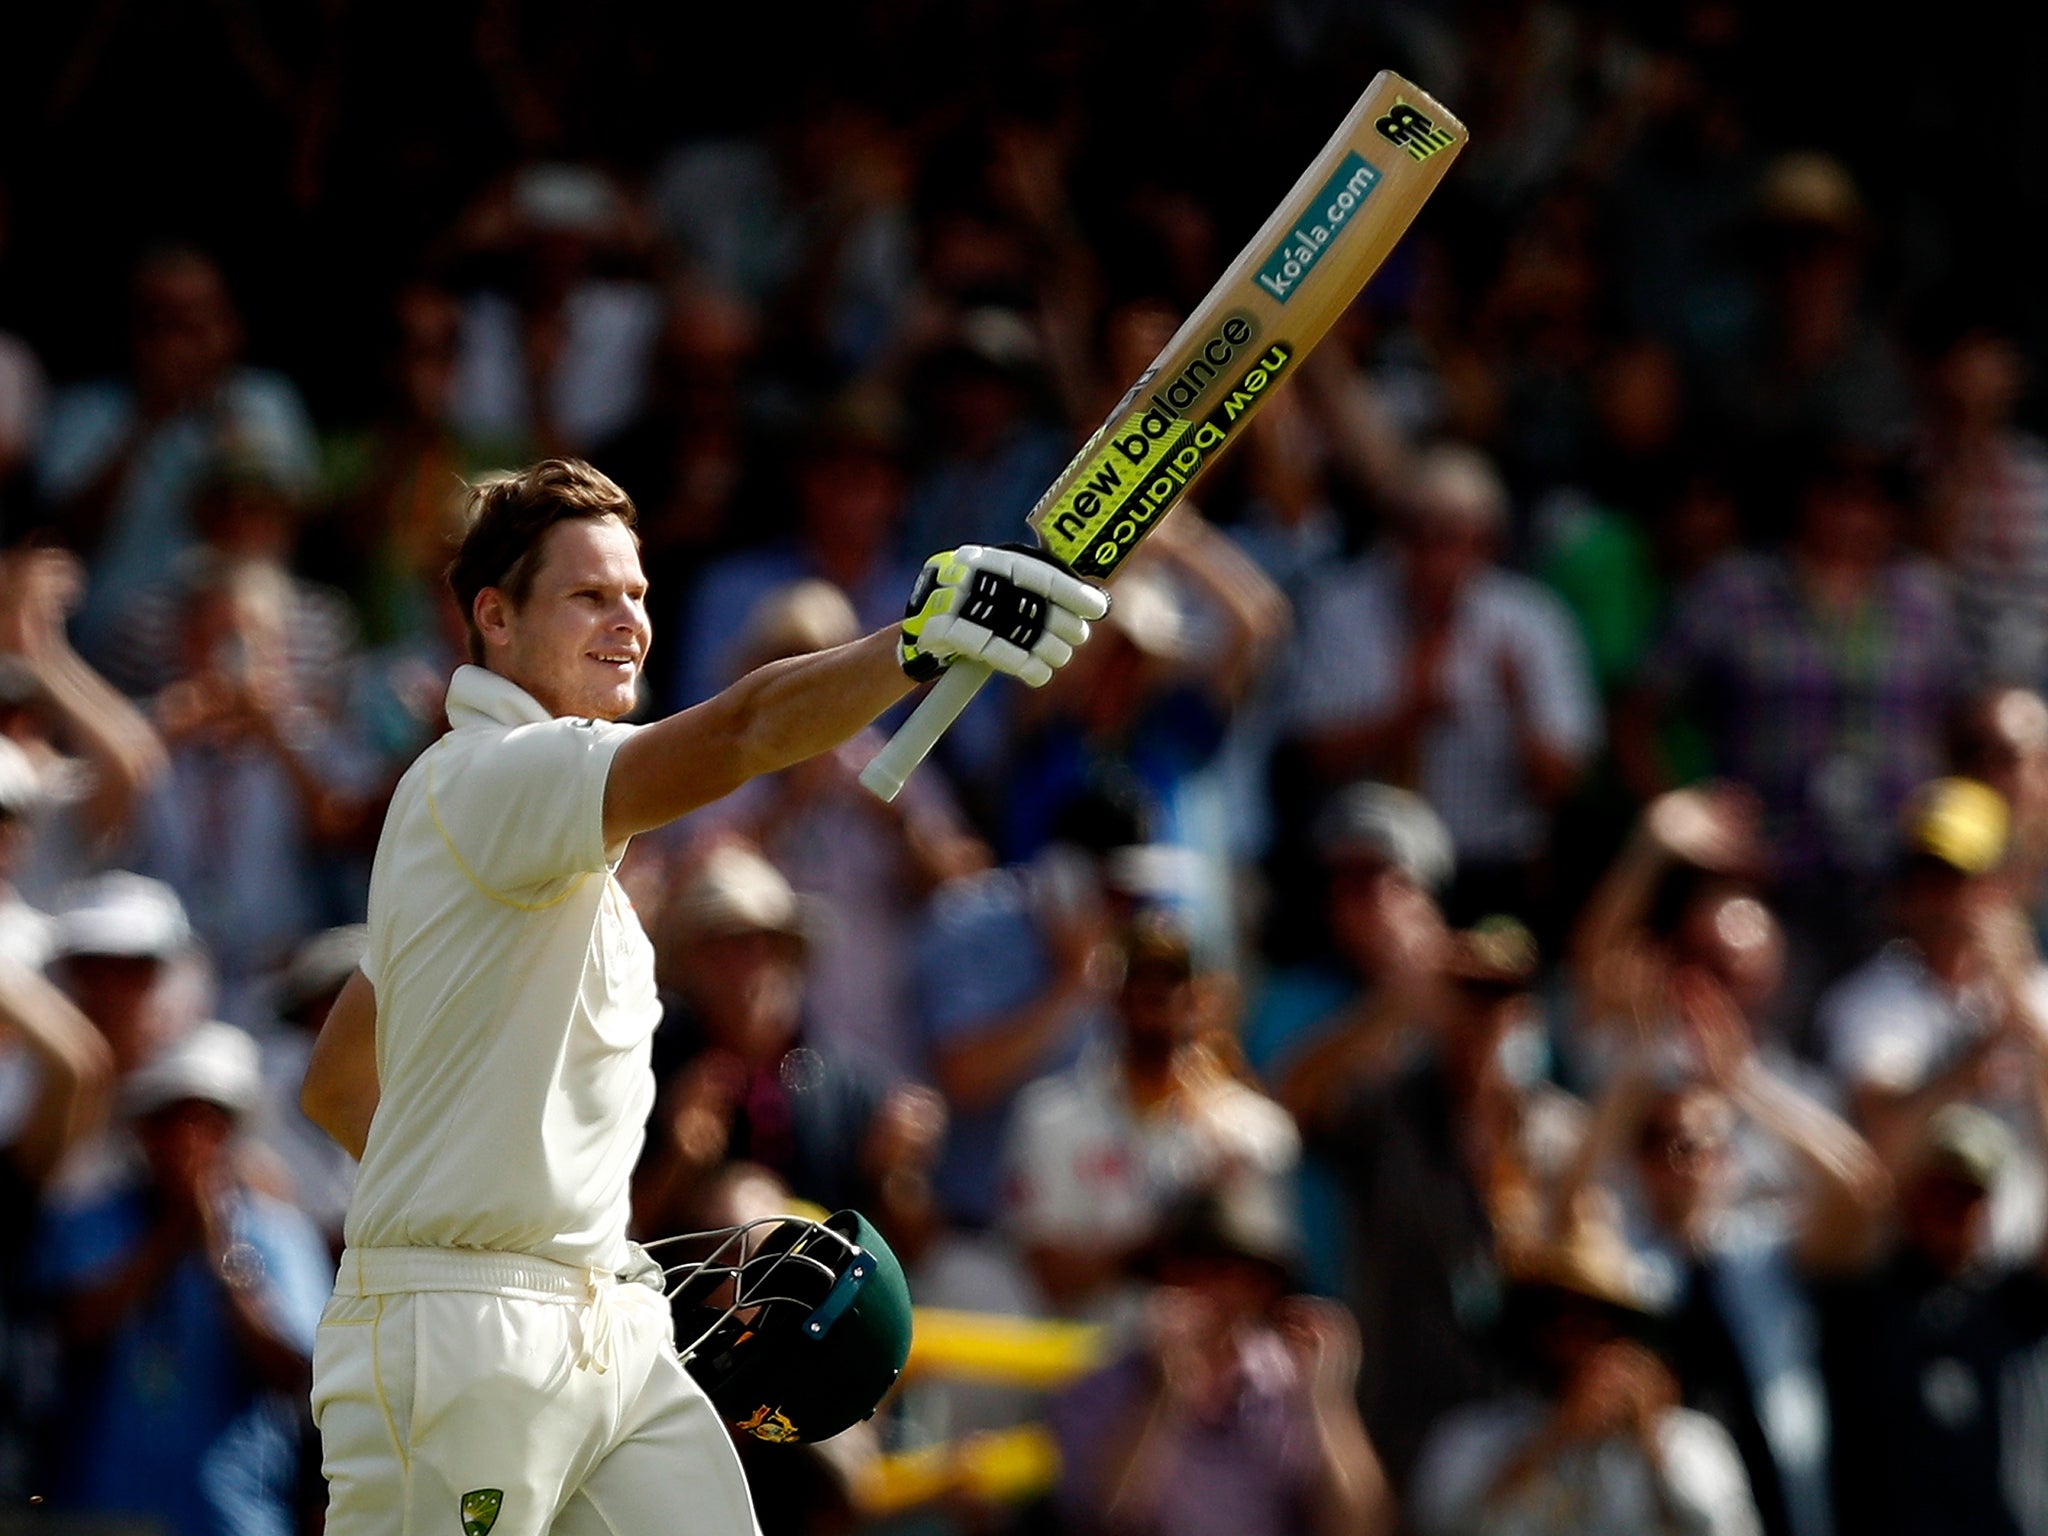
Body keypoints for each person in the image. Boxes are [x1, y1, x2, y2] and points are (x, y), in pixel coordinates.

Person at [296, 457, 1106, 1536]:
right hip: (461, 1340)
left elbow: (339, 1081)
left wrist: (539, 1218)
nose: (626, 621)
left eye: (636, 594)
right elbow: (741, 734)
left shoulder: (511, 845)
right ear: (492, 618)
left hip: (601, 1321)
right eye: (588, 595)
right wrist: (912, 640)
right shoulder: (487, 773)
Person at [1275, 915, 1585, 1490]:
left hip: (1524, 1413)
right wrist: (1396, 1005)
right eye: (1469, 991)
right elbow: (1291, 1102)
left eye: (1501, 993)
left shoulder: (1556, 1131)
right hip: (1406, 1410)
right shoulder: (1392, 1109)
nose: (1485, 1012)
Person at [1286, 441, 1602, 928]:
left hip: (1490, 871)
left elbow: (1566, 780)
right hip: (1366, 876)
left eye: (1451, 536)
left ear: (1488, 541)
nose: (1432, 556)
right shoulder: (1341, 610)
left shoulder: (1533, 623)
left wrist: (1518, 707)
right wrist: (1405, 716)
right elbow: (1310, 754)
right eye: (1415, 532)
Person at [38, 1018, 332, 1536]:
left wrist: (220, 1249)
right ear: (142, 1130)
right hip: (101, 1510)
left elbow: (293, 1370)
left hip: (231, 1513)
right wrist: (169, 1238)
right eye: (169, 1121)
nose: (187, 1141)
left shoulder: (279, 1234)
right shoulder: (88, 1222)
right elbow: (70, 1334)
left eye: (206, 1122)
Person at [1049, 1182, 1395, 1536]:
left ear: (1262, 1288)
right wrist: (1164, 1395)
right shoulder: (1101, 1389)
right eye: (1183, 1267)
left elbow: (1361, 1527)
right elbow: (1100, 1518)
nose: (1200, 1288)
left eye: (1225, 1270)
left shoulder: (1294, 1389)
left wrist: (1330, 1405)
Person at [1001, 910, 1299, 1320]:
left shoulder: (1255, 1131)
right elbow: (1050, 1275)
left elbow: (1265, 1287)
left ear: (1204, 996)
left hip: (1207, 1375)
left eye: (1172, 979)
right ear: (1113, 994)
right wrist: (1165, 1237)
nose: (1154, 993)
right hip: (1089, 1368)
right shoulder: (1048, 1116)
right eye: (1139, 978)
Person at [1407, 1209, 1764, 1536]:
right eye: (1556, 1318)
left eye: (1596, 1322)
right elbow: (1440, 1523)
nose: (1574, 1340)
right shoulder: (1472, 1437)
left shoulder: (1691, 1442)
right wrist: (1554, 1439)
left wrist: (1654, 1452)